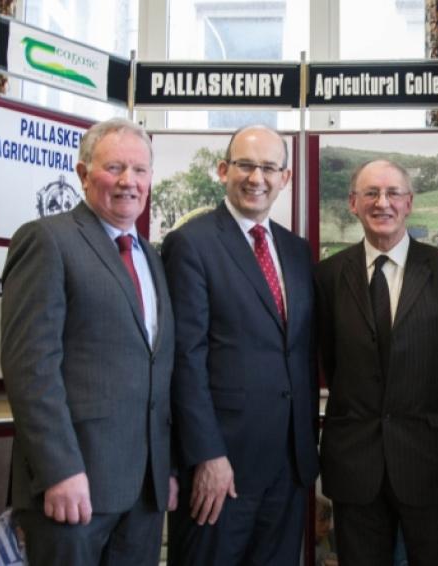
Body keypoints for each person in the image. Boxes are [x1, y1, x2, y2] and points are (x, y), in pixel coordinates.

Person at [0, 118, 176, 566]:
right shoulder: (47, 241)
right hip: (74, 488)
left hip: (143, 492)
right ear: (82, 173)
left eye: (139, 170)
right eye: (113, 167)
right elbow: (30, 367)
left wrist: (167, 468)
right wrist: (59, 470)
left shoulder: (151, 257)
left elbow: (157, 369)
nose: (128, 182)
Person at [162, 125, 318, 566]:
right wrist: (207, 454)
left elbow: (299, 353)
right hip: (222, 469)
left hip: (288, 467)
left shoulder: (295, 251)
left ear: (285, 178)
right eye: (246, 165)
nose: (257, 178)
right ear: (223, 170)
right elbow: (184, 360)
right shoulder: (191, 245)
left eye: (269, 167)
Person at [315, 159, 438, 566]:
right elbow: (330, 361)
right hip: (355, 464)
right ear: (353, 203)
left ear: (409, 203)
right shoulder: (327, 276)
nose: (381, 203)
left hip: (429, 459)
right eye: (370, 193)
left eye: (392, 194)